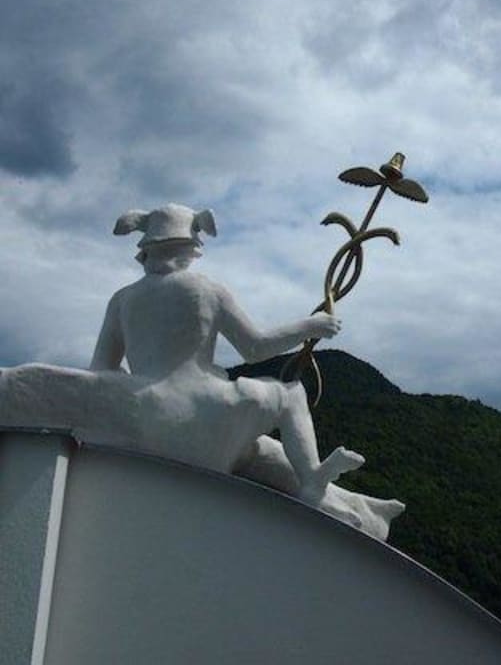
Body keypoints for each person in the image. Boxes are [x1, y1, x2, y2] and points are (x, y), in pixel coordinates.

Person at [0, 203, 404, 540]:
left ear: (146, 247)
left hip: (150, 420)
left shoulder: (122, 299)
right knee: (290, 395)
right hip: (203, 406)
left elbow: (101, 369)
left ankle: (357, 508)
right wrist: (311, 327)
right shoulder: (206, 289)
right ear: (193, 243)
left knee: (262, 451)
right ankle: (315, 485)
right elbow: (256, 346)